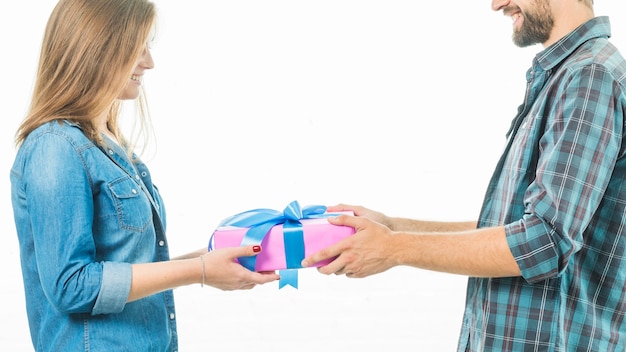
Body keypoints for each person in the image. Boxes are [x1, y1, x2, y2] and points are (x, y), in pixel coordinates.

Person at [302, 0, 626, 350]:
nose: (495, 4)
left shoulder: (590, 78)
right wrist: (392, 228)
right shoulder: (569, 75)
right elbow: (515, 225)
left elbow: (543, 242)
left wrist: (394, 248)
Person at [10, 0, 280, 351]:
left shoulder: (113, 148)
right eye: (137, 47)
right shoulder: (55, 146)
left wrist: (216, 258)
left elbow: (132, 266)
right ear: (96, 47)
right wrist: (199, 270)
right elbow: (71, 285)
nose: (149, 62)